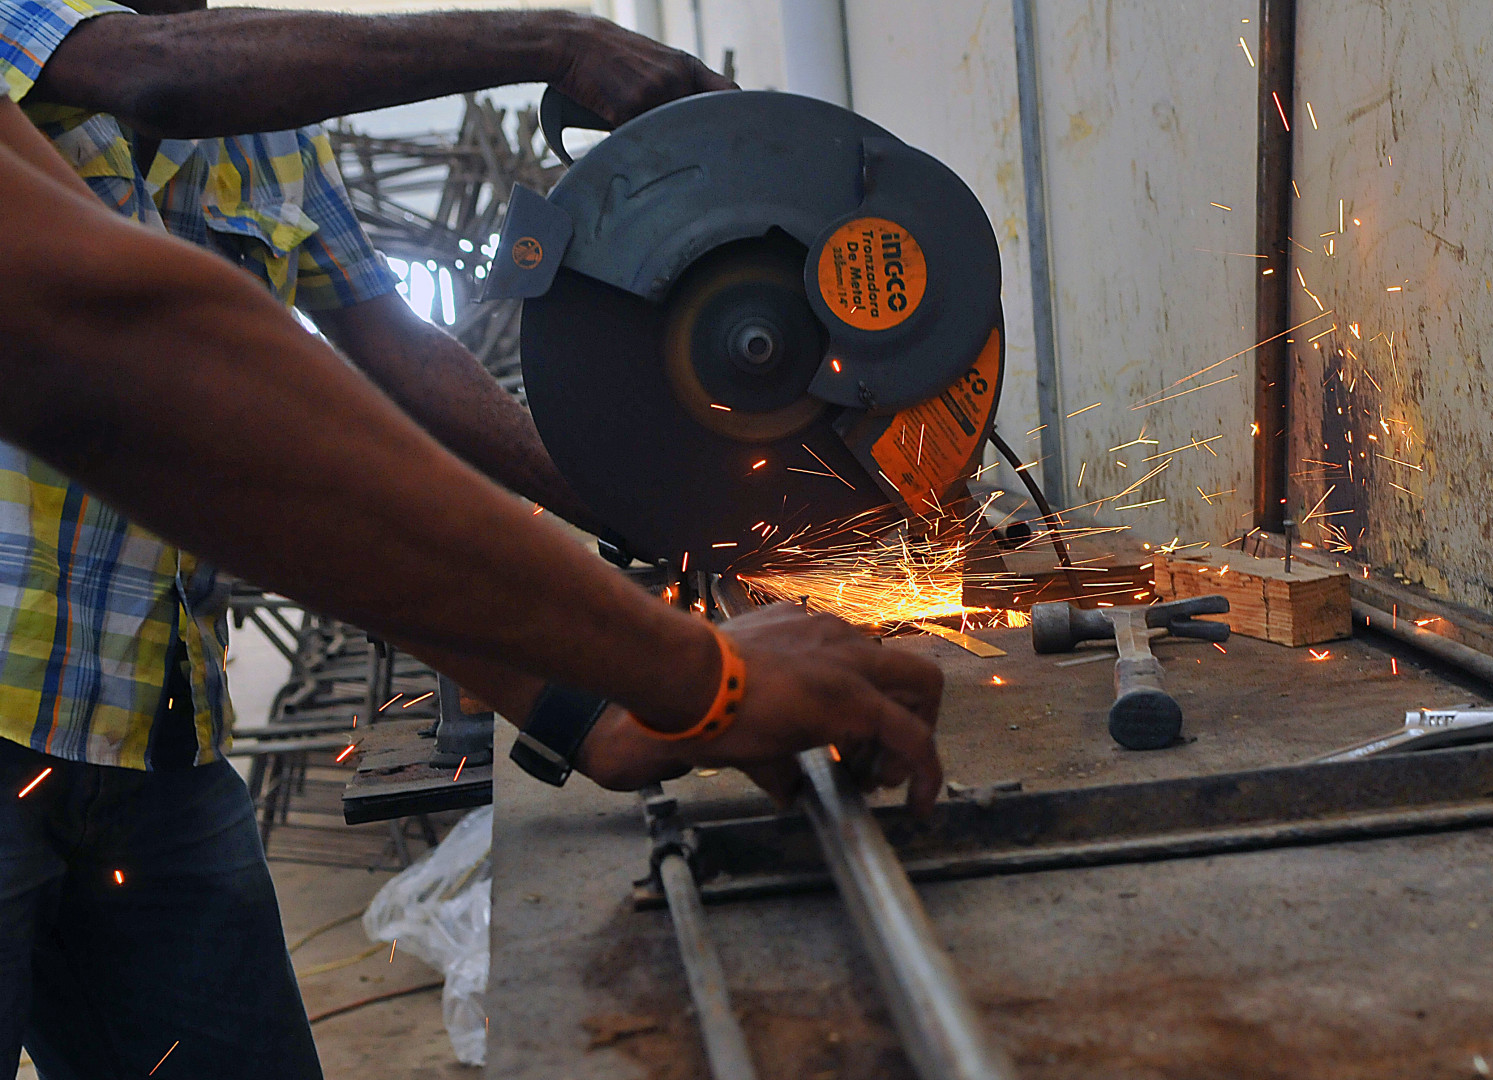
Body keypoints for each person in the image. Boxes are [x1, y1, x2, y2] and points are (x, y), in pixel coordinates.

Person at [0, 7, 944, 1077]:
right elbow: (140, 319)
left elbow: (329, 426)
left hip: (159, 748)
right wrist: (552, 43)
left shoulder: (270, 128)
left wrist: (641, 565)